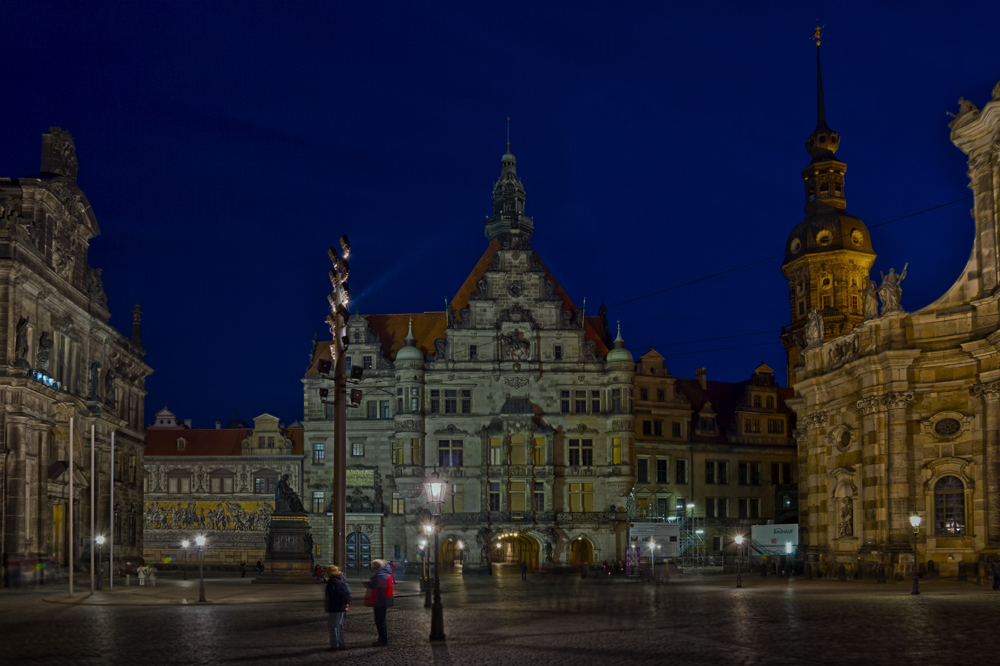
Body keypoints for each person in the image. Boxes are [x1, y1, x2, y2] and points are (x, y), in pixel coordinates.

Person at [325, 565, 352, 651]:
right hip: (341, 606)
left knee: (333, 626)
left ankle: (335, 645)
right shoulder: (341, 580)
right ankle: (341, 643)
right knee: (339, 625)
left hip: (335, 606)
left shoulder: (332, 582)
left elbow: (332, 595)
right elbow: (347, 593)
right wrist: (346, 603)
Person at [369, 559, 394, 646]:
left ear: (377, 567)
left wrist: (369, 584)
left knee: (380, 620)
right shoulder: (385, 573)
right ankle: (382, 638)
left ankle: (383, 639)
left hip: (381, 600)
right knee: (380, 620)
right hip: (383, 599)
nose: (373, 569)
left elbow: (378, 584)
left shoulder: (381, 574)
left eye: (374, 566)